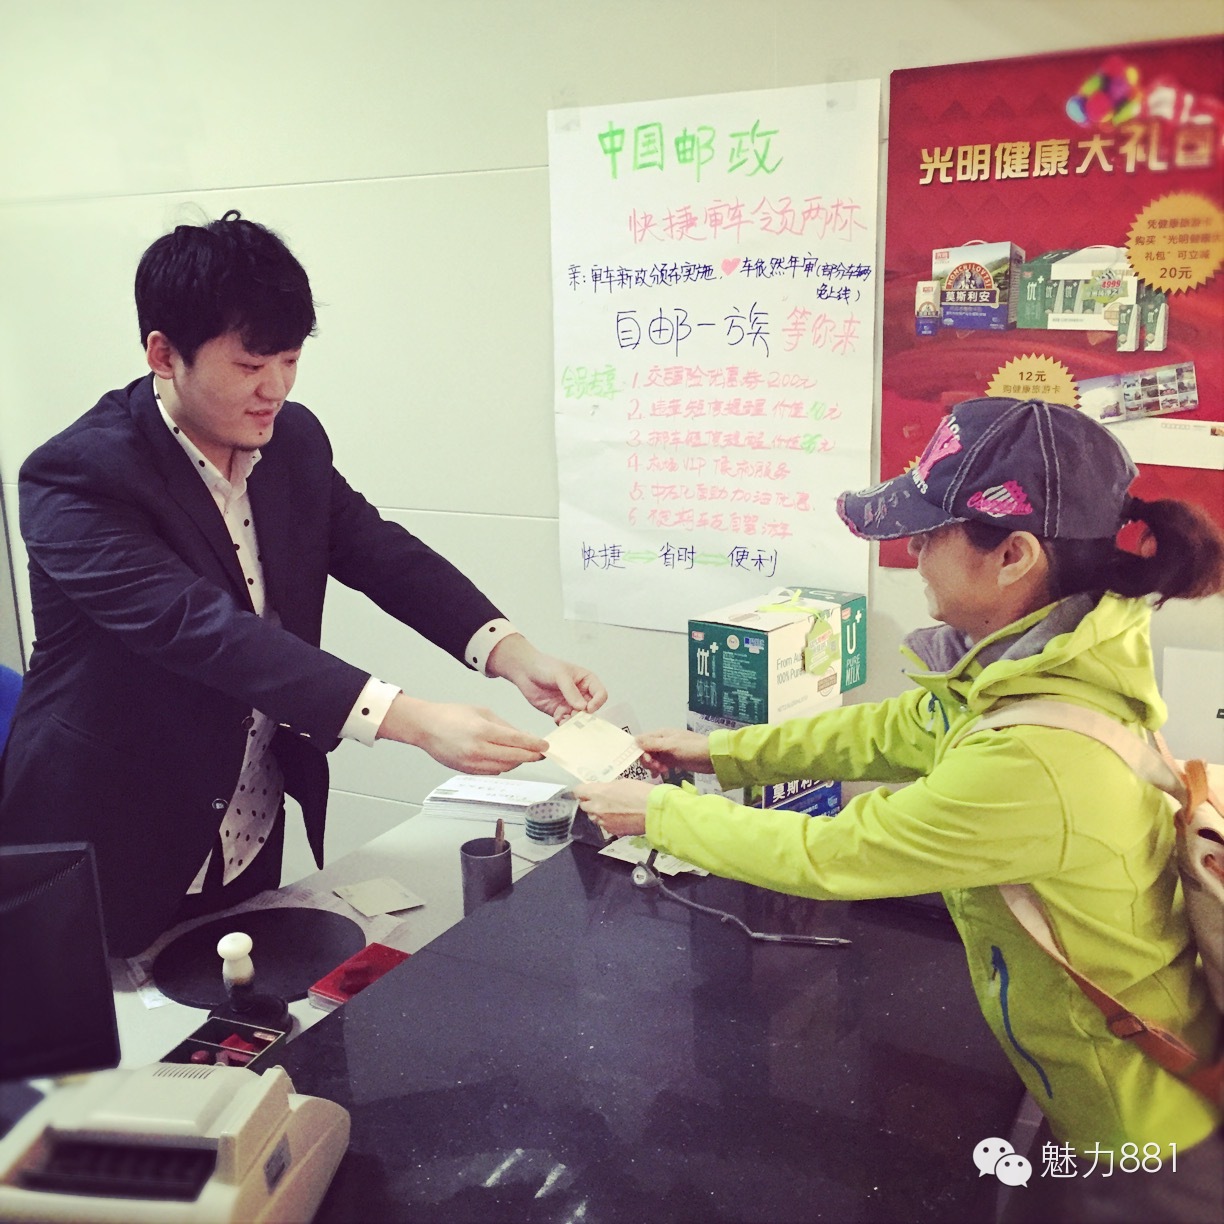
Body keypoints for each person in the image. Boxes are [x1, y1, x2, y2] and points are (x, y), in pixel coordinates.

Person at [575, 396, 1223, 1222]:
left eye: (929, 531)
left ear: (1014, 555)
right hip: (1099, 1087)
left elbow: (835, 855)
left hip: (1140, 1137)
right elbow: (895, 728)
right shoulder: (1040, 660)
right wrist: (722, 753)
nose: (911, 550)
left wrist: (655, 814)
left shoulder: (1035, 758)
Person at [0, 210, 606, 957]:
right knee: (108, 1027)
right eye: (250, 366)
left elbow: (378, 551)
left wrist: (515, 654)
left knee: (244, 1009)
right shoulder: (79, 475)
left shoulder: (291, 440)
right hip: (109, 833)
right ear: (163, 354)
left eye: (289, 360)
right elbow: (202, 631)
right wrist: (412, 720)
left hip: (245, 819)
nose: (276, 389)